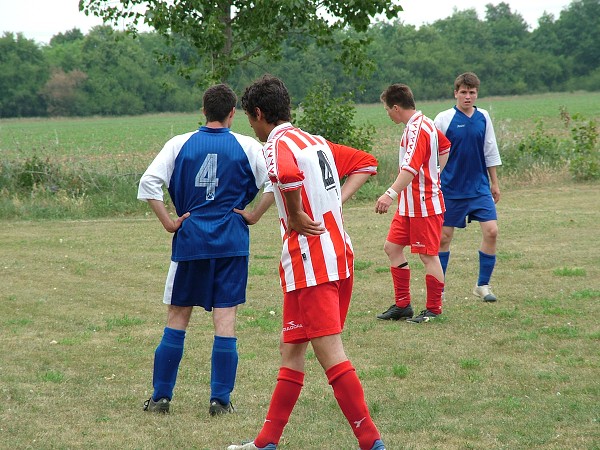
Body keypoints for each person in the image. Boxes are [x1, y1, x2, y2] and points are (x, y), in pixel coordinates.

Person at [228, 75, 386, 450]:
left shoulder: (278, 143)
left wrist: (297, 214)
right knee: (292, 349)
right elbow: (367, 163)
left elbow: (284, 174)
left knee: (329, 353)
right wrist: (334, 205)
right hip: (334, 257)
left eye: (251, 119)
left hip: (312, 261)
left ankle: (371, 441)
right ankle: (266, 441)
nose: (252, 126)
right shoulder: (315, 142)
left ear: (260, 113)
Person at [137, 83, 274, 416]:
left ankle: (161, 397)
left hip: (191, 243)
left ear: (203, 111)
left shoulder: (178, 143)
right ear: (232, 113)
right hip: (231, 244)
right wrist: (253, 215)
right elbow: (276, 181)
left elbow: (148, 183)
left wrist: (169, 222)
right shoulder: (248, 146)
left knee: (177, 317)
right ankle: (220, 400)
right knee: (225, 321)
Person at [375, 83, 450, 324]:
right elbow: (445, 147)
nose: (387, 113)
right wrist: (436, 170)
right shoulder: (420, 124)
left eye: (387, 108)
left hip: (424, 205)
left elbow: (410, 168)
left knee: (428, 256)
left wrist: (389, 194)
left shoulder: (419, 128)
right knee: (392, 247)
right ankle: (402, 305)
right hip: (408, 206)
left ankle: (434, 310)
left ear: (396, 107)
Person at [434, 72, 501, 302]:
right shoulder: (443, 119)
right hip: (451, 188)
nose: (467, 96)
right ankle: (439, 289)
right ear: (456, 93)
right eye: (463, 92)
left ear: (476, 94)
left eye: (472, 92)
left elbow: (490, 150)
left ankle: (482, 285)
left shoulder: (483, 116)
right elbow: (433, 155)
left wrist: (494, 183)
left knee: (492, 231)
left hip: (480, 187)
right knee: (444, 237)